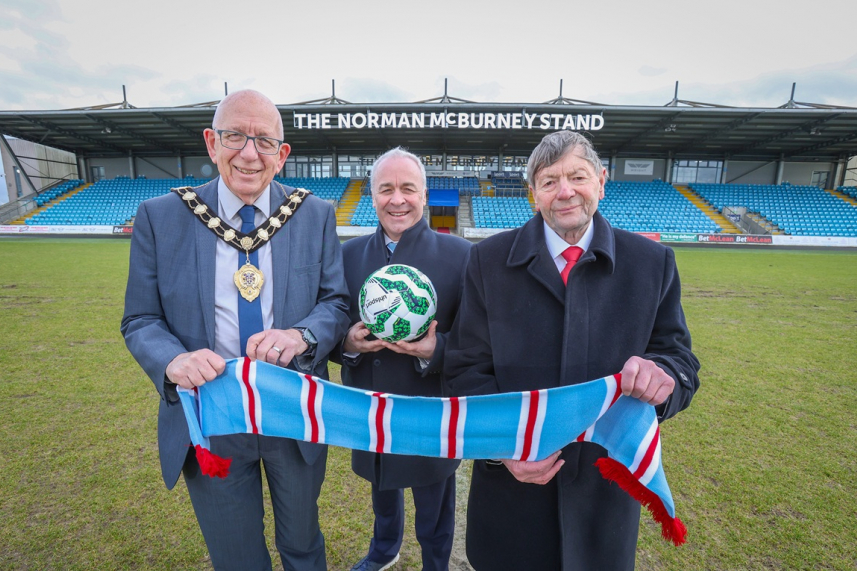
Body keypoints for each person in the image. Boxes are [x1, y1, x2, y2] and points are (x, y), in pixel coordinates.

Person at [443, 130, 700, 571]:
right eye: (548, 181)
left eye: (577, 176)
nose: (565, 192)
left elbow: (680, 360)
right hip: (510, 497)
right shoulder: (486, 260)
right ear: (534, 195)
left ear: (601, 180)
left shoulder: (652, 263)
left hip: (606, 498)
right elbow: (465, 369)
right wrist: (505, 448)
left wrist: (664, 377)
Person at [120, 89, 350, 571]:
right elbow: (140, 318)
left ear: (282, 153)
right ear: (211, 142)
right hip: (211, 425)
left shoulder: (314, 214)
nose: (249, 153)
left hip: (293, 417)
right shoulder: (162, 217)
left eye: (265, 141)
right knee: (235, 553)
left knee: (303, 542)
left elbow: (335, 303)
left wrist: (302, 336)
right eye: (234, 137)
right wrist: (173, 360)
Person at [333, 147, 472, 571]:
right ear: (372, 196)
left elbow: (475, 339)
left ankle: (436, 561)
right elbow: (333, 320)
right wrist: (349, 345)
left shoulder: (461, 255)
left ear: (425, 195)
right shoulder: (348, 255)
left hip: (428, 404)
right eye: (386, 189)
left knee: (434, 495)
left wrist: (438, 350)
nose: (397, 199)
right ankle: (384, 548)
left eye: (408, 188)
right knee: (381, 484)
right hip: (370, 403)